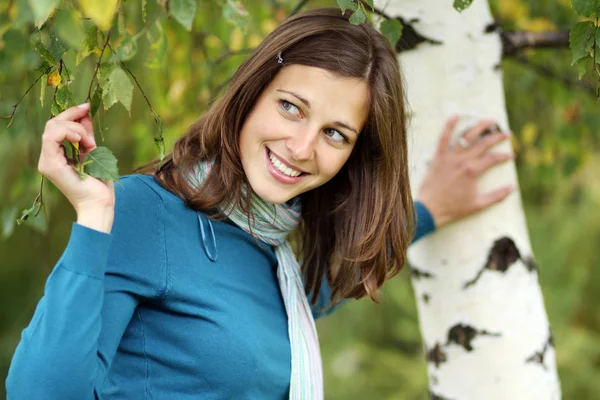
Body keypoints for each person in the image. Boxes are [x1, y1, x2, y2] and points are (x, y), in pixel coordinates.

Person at [5, 8, 513, 400]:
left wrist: (427, 211)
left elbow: (314, 289)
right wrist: (95, 217)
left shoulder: (273, 260)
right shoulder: (142, 213)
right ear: (252, 93)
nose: (301, 147)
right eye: (291, 108)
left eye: (334, 134)